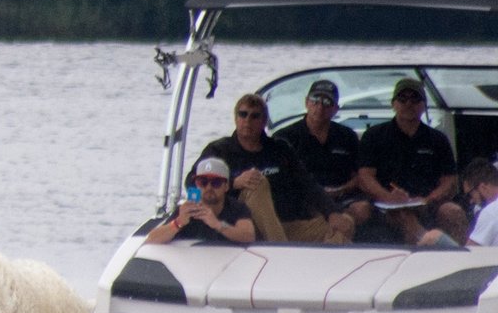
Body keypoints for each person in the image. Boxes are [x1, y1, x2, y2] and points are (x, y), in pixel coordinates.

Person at [194, 94, 353, 244]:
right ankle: (280, 250)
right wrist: (233, 182)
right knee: (257, 182)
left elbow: (307, 184)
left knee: (345, 224)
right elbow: (191, 185)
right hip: (243, 227)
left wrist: (332, 212)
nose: (248, 120)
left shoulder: (280, 149)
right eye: (243, 114)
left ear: (264, 121)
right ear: (236, 119)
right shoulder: (218, 150)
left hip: (288, 224)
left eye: (255, 116)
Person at [359, 78, 468, 245]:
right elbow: (365, 177)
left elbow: (450, 180)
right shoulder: (374, 136)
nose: (408, 103)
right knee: (405, 216)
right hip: (387, 205)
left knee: (454, 212)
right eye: (402, 99)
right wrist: (389, 198)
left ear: (424, 105)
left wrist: (428, 200)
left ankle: (461, 259)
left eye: (415, 99)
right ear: (393, 104)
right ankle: (428, 252)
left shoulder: (438, 139)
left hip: (428, 202)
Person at [277, 78, 372, 234]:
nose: (320, 106)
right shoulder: (285, 137)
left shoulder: (347, 136)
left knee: (363, 208)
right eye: (315, 100)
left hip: (342, 196)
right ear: (306, 102)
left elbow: (360, 175)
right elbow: (281, 180)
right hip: (305, 199)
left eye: (327, 102)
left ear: (335, 108)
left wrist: (340, 190)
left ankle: (340, 225)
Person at [146, 157, 256, 245]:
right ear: (196, 185)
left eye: (216, 183)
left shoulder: (236, 208)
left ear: (226, 186)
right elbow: (152, 239)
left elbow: (248, 236)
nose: (209, 188)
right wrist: (179, 222)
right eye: (203, 182)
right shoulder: (188, 209)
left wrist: (217, 225)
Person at [418, 160, 498, 248]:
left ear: (483, 187)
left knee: (432, 236)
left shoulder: (490, 212)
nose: (471, 201)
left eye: (470, 195)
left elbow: (472, 254)